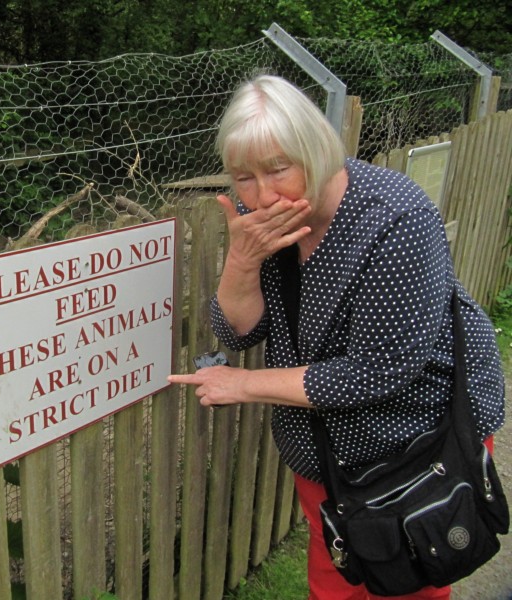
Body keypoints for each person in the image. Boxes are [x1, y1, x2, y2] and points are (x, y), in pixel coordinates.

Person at [167, 75, 505, 600]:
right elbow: (239, 329)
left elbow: (382, 369)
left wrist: (245, 385)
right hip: (324, 445)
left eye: (278, 168)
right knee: (337, 570)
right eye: (244, 177)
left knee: (411, 573)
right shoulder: (267, 223)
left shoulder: (395, 219)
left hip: (415, 439)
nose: (264, 194)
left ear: (317, 148)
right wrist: (241, 261)